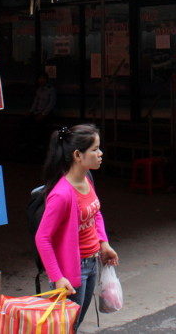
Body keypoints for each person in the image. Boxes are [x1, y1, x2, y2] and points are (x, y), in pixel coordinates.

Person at [35, 124, 119, 330]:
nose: (100, 154)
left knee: (75, 322)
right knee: (66, 326)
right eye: (95, 149)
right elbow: (42, 238)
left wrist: (103, 243)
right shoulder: (62, 194)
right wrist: (57, 278)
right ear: (77, 155)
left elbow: (95, 212)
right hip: (72, 270)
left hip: (92, 263)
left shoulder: (87, 179)